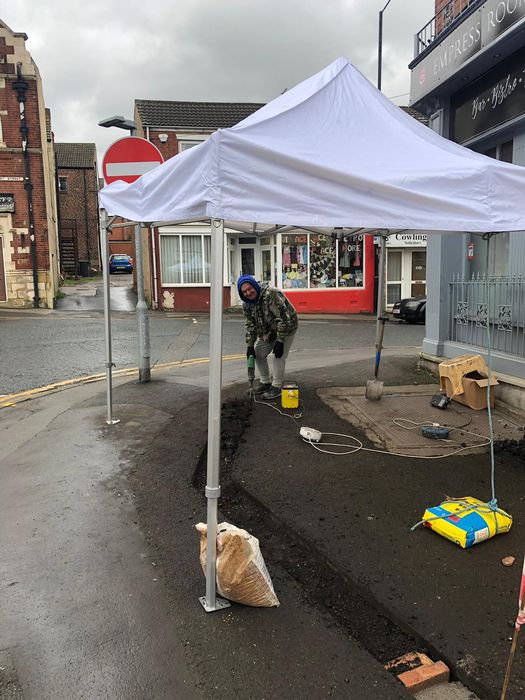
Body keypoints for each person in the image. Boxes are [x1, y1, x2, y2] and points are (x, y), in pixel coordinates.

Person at [237, 275, 298, 400]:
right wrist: (249, 345)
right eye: (244, 291)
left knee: (279, 355)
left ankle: (276, 387)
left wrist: (280, 341)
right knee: (257, 353)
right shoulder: (246, 304)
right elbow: (250, 325)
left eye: (250, 288)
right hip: (268, 331)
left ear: (254, 285)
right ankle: (265, 383)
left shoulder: (271, 294)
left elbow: (284, 319)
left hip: (287, 326)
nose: (248, 293)